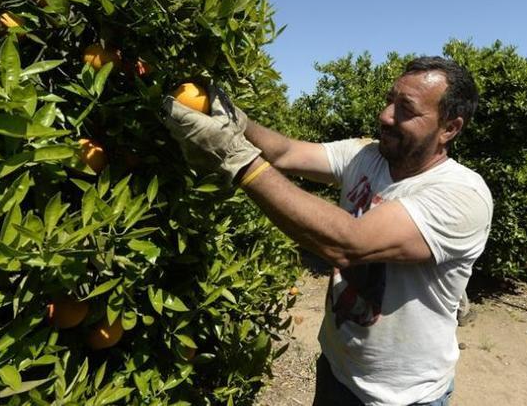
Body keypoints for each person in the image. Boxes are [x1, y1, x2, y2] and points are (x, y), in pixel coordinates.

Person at [163, 56, 492, 405]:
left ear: (449, 128)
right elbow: (286, 152)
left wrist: (238, 158)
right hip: (337, 369)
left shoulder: (462, 195)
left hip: (403, 396)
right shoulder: (367, 156)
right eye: (389, 100)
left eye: (405, 110)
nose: (385, 115)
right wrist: (236, 122)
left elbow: (349, 244)